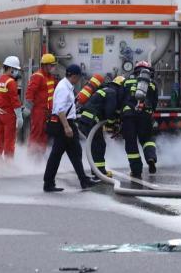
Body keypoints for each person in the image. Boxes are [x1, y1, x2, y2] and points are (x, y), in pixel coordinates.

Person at [43, 64, 99, 192]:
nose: (79, 80)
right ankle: (48, 183)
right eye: (78, 77)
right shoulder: (63, 88)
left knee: (75, 152)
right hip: (64, 124)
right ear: (74, 76)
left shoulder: (67, 86)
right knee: (56, 155)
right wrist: (67, 127)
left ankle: (83, 180)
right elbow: (60, 109)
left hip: (67, 124)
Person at [78, 75, 125, 177]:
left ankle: (97, 171)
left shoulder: (106, 90)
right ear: (120, 87)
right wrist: (112, 124)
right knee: (98, 146)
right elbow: (109, 112)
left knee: (98, 145)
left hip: (88, 121)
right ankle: (99, 172)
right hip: (90, 122)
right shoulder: (112, 93)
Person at [120, 61, 159, 178]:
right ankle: (150, 158)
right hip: (145, 116)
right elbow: (154, 102)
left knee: (131, 144)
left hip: (128, 117)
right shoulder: (152, 84)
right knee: (148, 139)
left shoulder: (126, 82)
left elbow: (120, 98)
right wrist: (150, 111)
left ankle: (136, 171)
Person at [0, 56, 24, 158]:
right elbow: (15, 101)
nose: (16, 72)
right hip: (9, 115)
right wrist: (19, 116)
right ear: (10, 68)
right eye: (15, 69)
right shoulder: (11, 82)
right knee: (9, 141)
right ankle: (8, 165)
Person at [24, 53, 57, 154]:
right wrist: (28, 108)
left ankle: (40, 156)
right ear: (45, 65)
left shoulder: (50, 77)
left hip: (47, 111)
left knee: (44, 135)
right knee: (36, 133)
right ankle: (31, 156)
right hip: (38, 110)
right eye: (52, 65)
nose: (53, 67)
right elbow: (30, 93)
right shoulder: (38, 76)